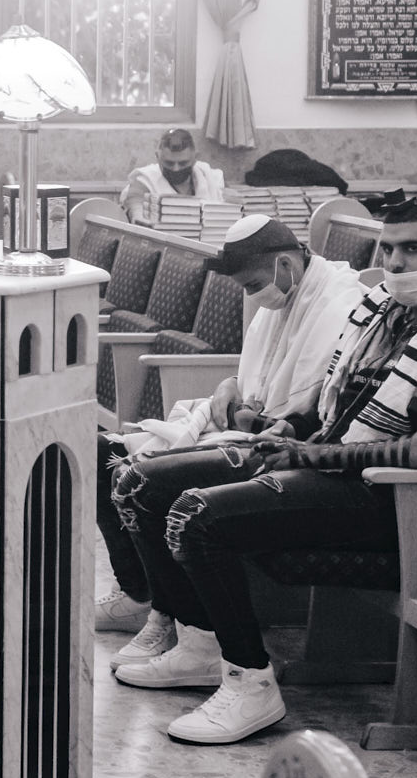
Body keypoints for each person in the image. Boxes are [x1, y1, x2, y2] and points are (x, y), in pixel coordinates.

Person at [108, 197, 417, 745]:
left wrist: (313, 456)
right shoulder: (383, 310)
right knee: (142, 483)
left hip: (393, 501)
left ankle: (251, 683)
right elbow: (335, 401)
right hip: (330, 467)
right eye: (387, 249)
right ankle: (199, 644)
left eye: (413, 249)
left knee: (196, 516)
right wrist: (292, 429)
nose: (395, 263)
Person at [94, 215, 363, 653]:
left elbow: (305, 409)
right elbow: (256, 377)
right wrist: (228, 386)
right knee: (100, 452)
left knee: (137, 478)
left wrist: (246, 414)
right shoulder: (286, 293)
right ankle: (140, 594)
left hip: (280, 446)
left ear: (285, 264)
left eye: (254, 284)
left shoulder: (340, 304)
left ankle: (178, 621)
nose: (253, 296)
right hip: (241, 427)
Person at [120, 127, 225, 225]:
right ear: (158, 157)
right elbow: (137, 213)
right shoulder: (144, 181)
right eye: (169, 163)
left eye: (183, 163)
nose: (176, 169)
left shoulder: (210, 176)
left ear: (195, 158)